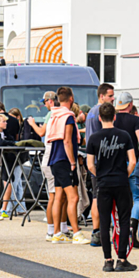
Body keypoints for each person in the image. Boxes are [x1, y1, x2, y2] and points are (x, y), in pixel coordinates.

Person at [87, 102, 137, 272]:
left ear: (100, 118)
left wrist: (100, 175)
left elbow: (90, 164)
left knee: (104, 220)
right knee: (123, 220)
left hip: (104, 183)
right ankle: (122, 259)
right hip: (121, 182)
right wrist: (125, 174)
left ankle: (108, 260)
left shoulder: (94, 138)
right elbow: (133, 161)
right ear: (114, 117)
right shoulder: (124, 136)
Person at [46, 87, 90, 244]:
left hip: (54, 159)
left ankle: (56, 232)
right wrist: (72, 161)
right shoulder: (69, 117)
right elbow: (67, 141)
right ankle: (77, 233)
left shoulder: (54, 115)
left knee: (59, 197)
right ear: (71, 99)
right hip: (65, 160)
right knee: (73, 197)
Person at [27, 91, 62, 241]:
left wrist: (32, 123)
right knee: (54, 196)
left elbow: (41, 131)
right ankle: (53, 230)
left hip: (49, 156)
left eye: (45, 102)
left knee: (53, 196)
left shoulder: (51, 114)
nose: (44, 105)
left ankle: (53, 230)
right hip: (52, 157)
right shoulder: (56, 114)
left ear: (50, 101)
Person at [83, 83, 115, 244]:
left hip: (93, 159)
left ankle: (97, 232)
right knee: (98, 197)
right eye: (110, 96)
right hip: (100, 160)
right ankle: (97, 232)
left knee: (97, 195)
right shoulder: (99, 112)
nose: (113, 99)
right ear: (101, 96)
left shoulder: (91, 112)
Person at [113, 92, 139, 247]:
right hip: (133, 162)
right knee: (137, 197)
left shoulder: (112, 120)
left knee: (119, 198)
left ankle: (118, 231)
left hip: (115, 164)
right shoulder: (135, 120)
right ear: (130, 104)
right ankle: (133, 225)